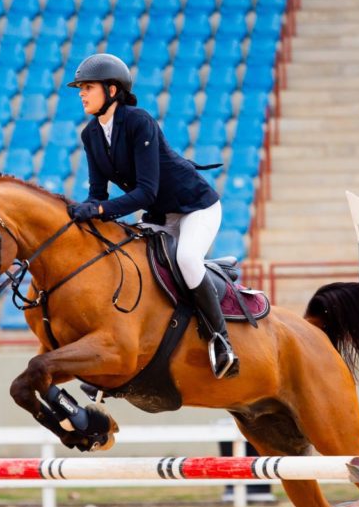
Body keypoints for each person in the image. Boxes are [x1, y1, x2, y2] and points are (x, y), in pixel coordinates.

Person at [64, 53, 238, 379]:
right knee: (132, 262)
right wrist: (82, 212)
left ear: (112, 90)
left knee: (186, 258)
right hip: (159, 214)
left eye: (88, 87)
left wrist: (99, 210)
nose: (81, 94)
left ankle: (221, 341)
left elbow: (145, 192)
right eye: (80, 88)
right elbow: (98, 194)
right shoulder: (90, 135)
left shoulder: (138, 121)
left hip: (195, 208)